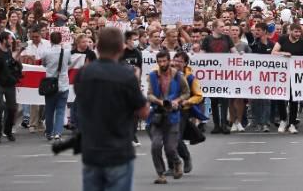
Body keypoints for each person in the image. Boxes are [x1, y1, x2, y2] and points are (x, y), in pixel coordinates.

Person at [75, 27, 149, 191]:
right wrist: (135, 82)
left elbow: (80, 98)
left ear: (98, 47)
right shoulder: (126, 75)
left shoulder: (84, 74)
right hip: (119, 150)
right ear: (120, 48)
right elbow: (144, 112)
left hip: (92, 149)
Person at [146, 49, 190, 184]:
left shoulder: (178, 75)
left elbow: (186, 92)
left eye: (164, 60)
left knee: (171, 148)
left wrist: (177, 101)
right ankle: (161, 174)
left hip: (173, 115)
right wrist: (159, 101)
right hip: (157, 115)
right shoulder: (153, 75)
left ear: (169, 61)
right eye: (159, 61)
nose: (162, 63)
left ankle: (177, 162)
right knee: (155, 146)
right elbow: (149, 94)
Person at [173, 52, 205, 174]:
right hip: (168, 110)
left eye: (180, 61)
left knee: (175, 137)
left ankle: (185, 158)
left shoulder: (191, 78)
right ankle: (172, 166)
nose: (176, 63)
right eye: (175, 60)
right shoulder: (167, 74)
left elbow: (199, 96)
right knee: (166, 139)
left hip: (182, 111)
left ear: (185, 63)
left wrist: (187, 101)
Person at [0, 31, 20, 144]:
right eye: (10, 39)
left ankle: (8, 131)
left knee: (12, 109)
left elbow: (11, 63)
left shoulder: (9, 51)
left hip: (10, 85)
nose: (12, 41)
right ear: (4, 40)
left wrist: (19, 52)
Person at [40, 30, 71, 142]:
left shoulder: (46, 52)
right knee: (61, 109)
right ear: (61, 40)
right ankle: (58, 133)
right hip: (63, 84)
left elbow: (43, 64)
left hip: (50, 85)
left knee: (49, 109)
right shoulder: (67, 52)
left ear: (50, 40)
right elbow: (69, 63)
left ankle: (49, 132)